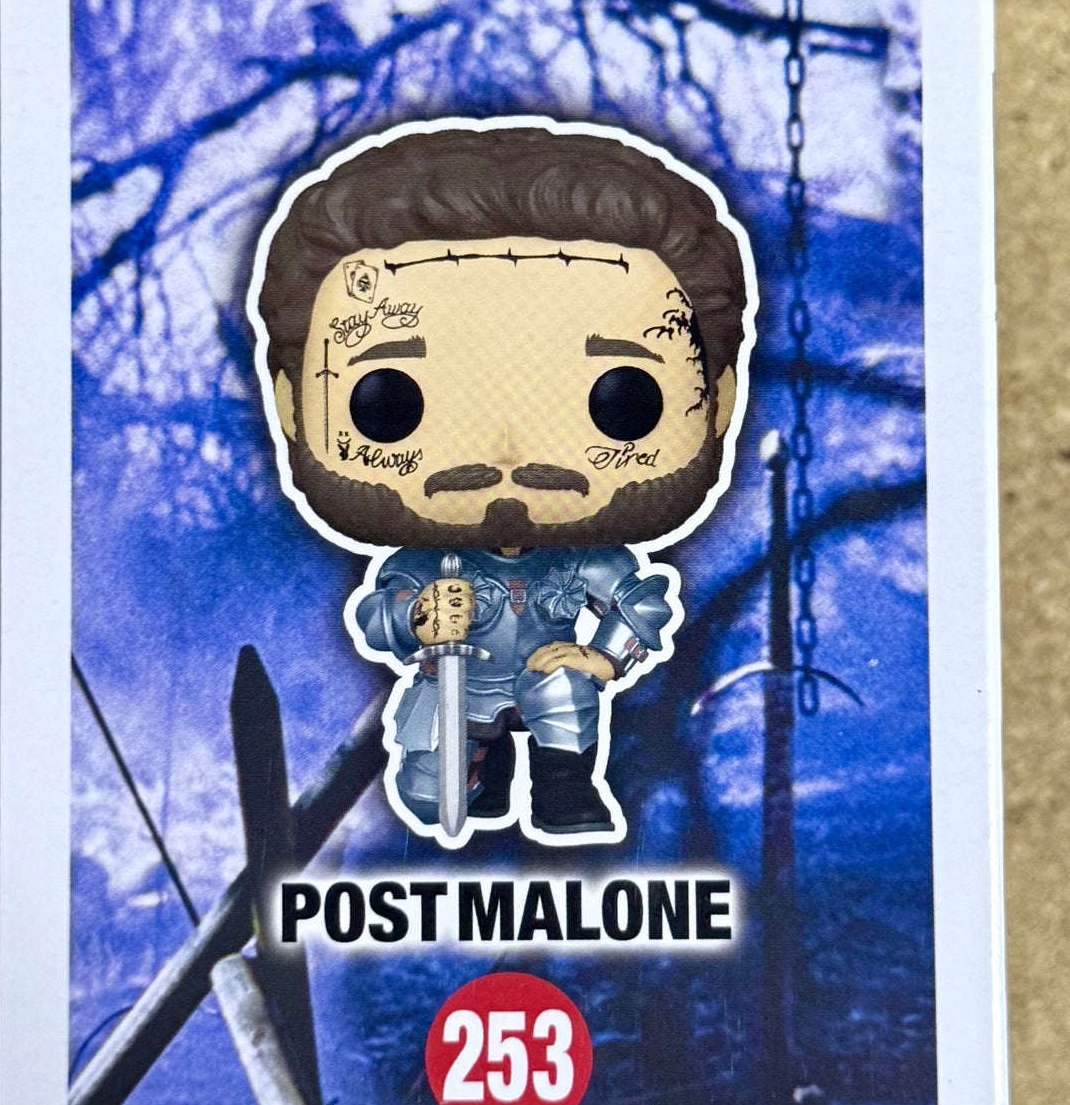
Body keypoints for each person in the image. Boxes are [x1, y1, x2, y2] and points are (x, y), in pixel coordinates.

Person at [250, 120, 754, 843]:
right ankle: (473, 782)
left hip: (553, 677)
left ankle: (564, 783)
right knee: (435, 772)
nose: (505, 456)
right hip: (458, 685)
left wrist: (601, 655)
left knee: (564, 698)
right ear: (295, 409)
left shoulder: (584, 560)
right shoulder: (423, 564)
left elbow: (640, 603)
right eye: (389, 402)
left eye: (623, 400)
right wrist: (417, 621)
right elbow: (379, 616)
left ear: (717, 403)